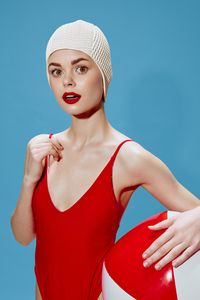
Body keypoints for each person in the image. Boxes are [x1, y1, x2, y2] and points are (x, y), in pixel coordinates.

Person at [10, 19, 200, 300]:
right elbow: (24, 237)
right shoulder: (44, 149)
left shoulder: (127, 157)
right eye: (56, 71)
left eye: (81, 68)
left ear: (103, 74)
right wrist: (29, 180)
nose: (68, 81)